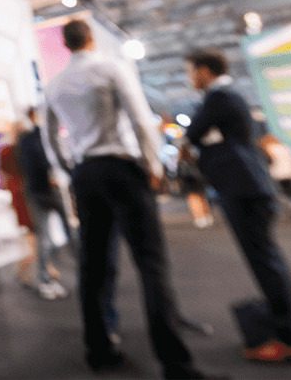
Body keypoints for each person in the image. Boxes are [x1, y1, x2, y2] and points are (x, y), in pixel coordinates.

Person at [43, 20, 204, 379]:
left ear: (66, 44)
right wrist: (153, 166)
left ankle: (99, 351)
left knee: (93, 266)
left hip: (86, 174)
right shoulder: (111, 66)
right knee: (151, 263)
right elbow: (139, 118)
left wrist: (70, 172)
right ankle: (175, 363)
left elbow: (49, 138)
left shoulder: (54, 85)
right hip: (121, 169)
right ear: (90, 38)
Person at [185, 49, 291, 361]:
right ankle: (285, 328)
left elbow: (193, 133)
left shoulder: (219, 98)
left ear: (205, 71)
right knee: (267, 260)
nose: (191, 79)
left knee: (266, 262)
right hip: (249, 187)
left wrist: (205, 146)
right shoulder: (230, 97)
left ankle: (287, 334)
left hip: (244, 189)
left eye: (193, 71)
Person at [18, 108, 76, 299]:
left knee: (60, 235)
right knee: (51, 236)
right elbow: (38, 164)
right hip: (45, 190)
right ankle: (45, 279)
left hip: (44, 190)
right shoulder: (36, 138)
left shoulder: (30, 138)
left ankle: (47, 277)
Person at [0, 128, 39, 290]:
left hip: (20, 192)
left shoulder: (10, 150)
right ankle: (25, 269)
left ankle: (30, 269)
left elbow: (3, 175)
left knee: (32, 234)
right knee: (33, 235)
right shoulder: (14, 151)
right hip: (23, 192)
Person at [176, 143, 213, 229]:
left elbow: (180, 175)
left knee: (194, 201)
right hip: (199, 183)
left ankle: (199, 218)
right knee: (203, 199)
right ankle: (207, 215)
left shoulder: (181, 162)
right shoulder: (194, 160)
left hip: (189, 185)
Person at [260, 134, 291, 211]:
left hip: (276, 175)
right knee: (290, 194)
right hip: (288, 174)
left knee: (279, 197)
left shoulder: (268, 148)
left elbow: (269, 162)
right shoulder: (284, 147)